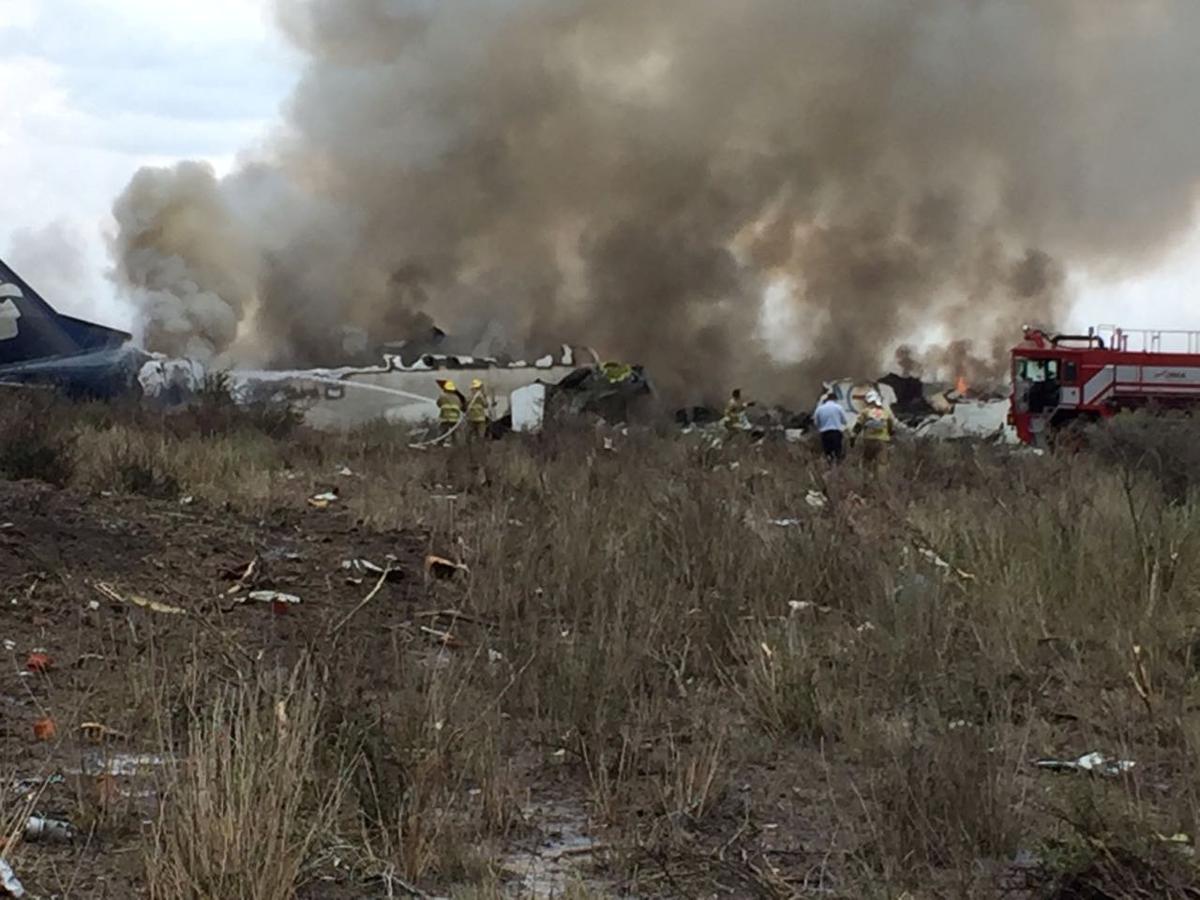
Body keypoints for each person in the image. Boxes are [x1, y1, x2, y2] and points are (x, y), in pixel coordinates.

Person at [852, 390, 896, 465]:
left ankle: (867, 475)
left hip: (869, 439)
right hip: (882, 440)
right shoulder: (885, 412)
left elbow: (858, 426)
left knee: (867, 461)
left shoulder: (865, 412)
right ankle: (880, 476)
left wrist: (853, 436)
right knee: (881, 463)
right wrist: (890, 434)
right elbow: (891, 428)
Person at [813, 392, 849, 462]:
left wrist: (821, 427)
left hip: (824, 433)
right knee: (837, 453)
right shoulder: (838, 407)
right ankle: (837, 468)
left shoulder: (820, 409)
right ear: (835, 399)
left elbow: (816, 422)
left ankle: (829, 466)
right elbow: (844, 421)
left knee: (827, 453)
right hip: (836, 433)